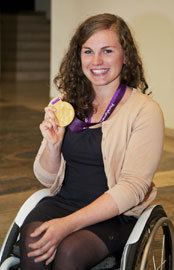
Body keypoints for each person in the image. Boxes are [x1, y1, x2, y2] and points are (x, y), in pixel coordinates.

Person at [19, 13, 164, 270]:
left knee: (70, 252)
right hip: (64, 201)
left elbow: (132, 188)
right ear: (79, 57)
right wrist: (52, 145)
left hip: (114, 213)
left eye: (107, 50)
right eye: (88, 51)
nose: (96, 61)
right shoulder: (68, 103)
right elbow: (45, 177)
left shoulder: (144, 110)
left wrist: (67, 225)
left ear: (125, 55)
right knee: (33, 240)